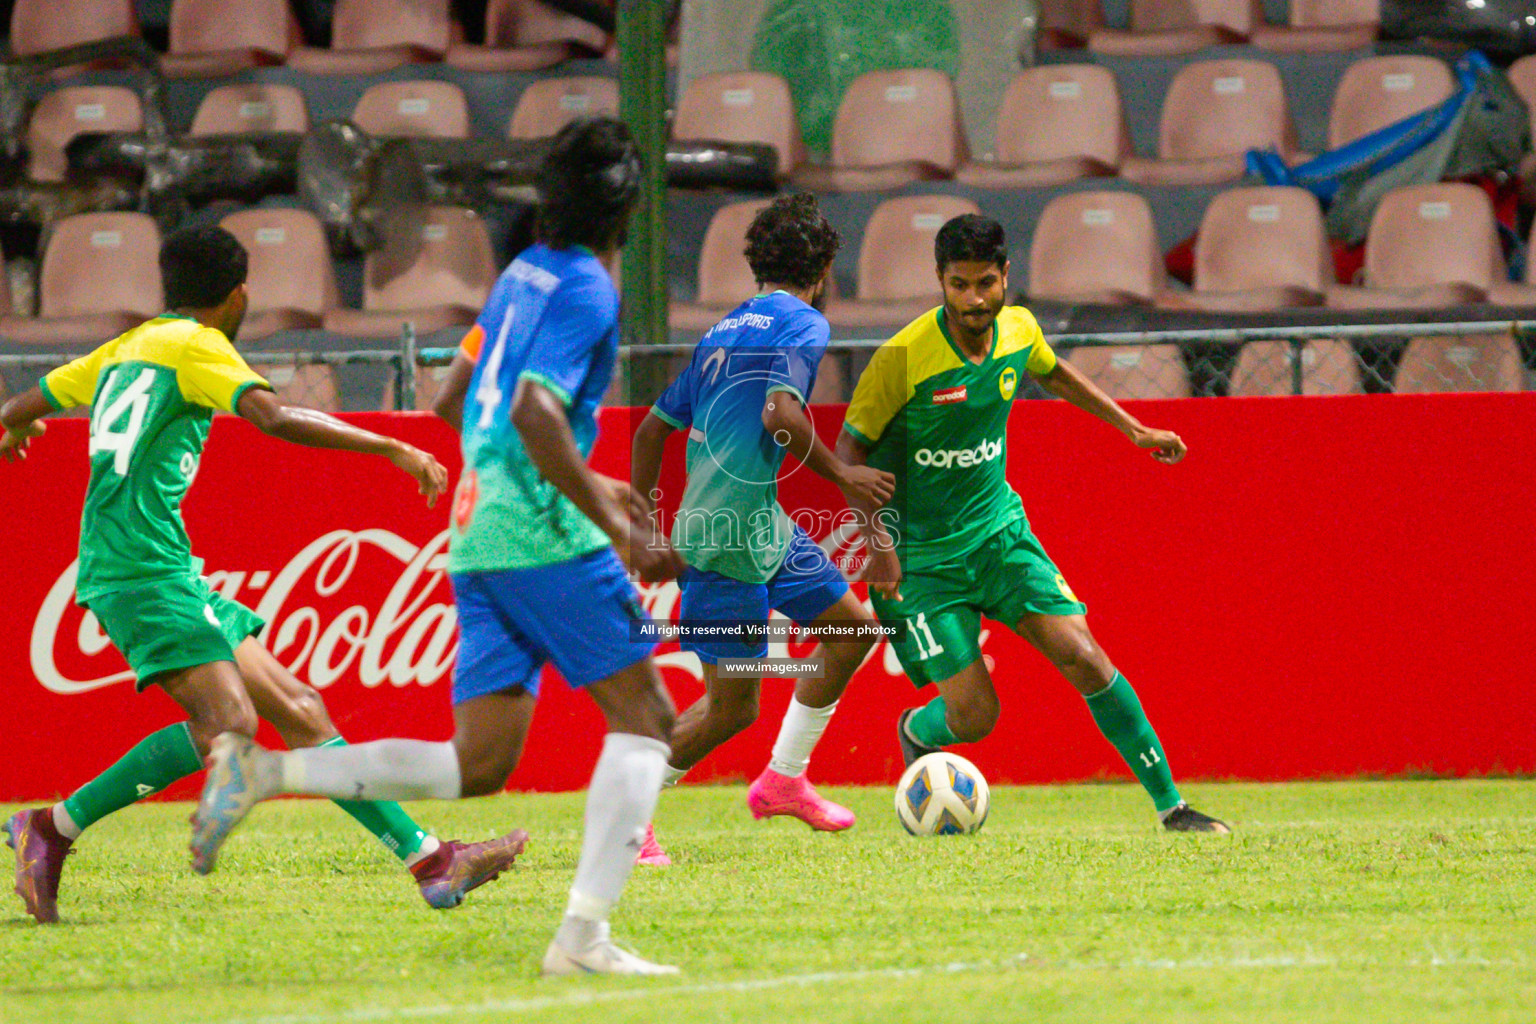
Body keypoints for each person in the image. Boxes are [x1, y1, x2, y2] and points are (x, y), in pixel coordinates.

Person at [187, 118, 690, 975]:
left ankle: (269, 776)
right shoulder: (589, 290)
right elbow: (533, 413)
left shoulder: (519, 275)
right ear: (629, 214)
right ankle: (582, 940)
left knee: (480, 762)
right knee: (648, 718)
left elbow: (456, 401)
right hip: (541, 537)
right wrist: (622, 525)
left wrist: (579, 482)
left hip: (475, 529)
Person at [0, 225, 526, 925]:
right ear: (237, 296)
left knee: (301, 710)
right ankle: (53, 827)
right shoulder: (198, 348)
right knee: (229, 726)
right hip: (139, 571)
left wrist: (12, 426)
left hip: (153, 565)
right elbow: (271, 416)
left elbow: (26, 403)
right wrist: (389, 446)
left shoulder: (127, 347)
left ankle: (432, 862)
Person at [836, 214, 1229, 834]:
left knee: (1085, 656)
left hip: (999, 535)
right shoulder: (902, 359)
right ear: (939, 280)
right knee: (974, 719)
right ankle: (918, 728)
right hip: (921, 561)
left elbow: (1051, 371)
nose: (974, 299)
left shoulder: (1019, 329)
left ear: (1006, 277)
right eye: (959, 284)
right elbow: (849, 455)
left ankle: (1171, 807)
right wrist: (879, 550)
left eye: (986, 283)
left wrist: (1133, 429)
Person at [627, 194, 895, 861]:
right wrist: (844, 477)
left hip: (759, 527)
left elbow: (651, 428)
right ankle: (626, 821)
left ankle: (783, 780)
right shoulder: (801, 323)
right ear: (824, 269)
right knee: (730, 710)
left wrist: (643, 523)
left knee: (852, 631)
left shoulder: (722, 332)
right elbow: (782, 413)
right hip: (722, 544)